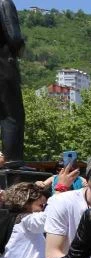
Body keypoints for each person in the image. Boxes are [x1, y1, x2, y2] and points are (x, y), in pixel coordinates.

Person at [0, 0, 24, 164]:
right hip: (3, 67)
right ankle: (12, 161)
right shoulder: (4, 2)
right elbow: (14, 37)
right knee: (12, 115)